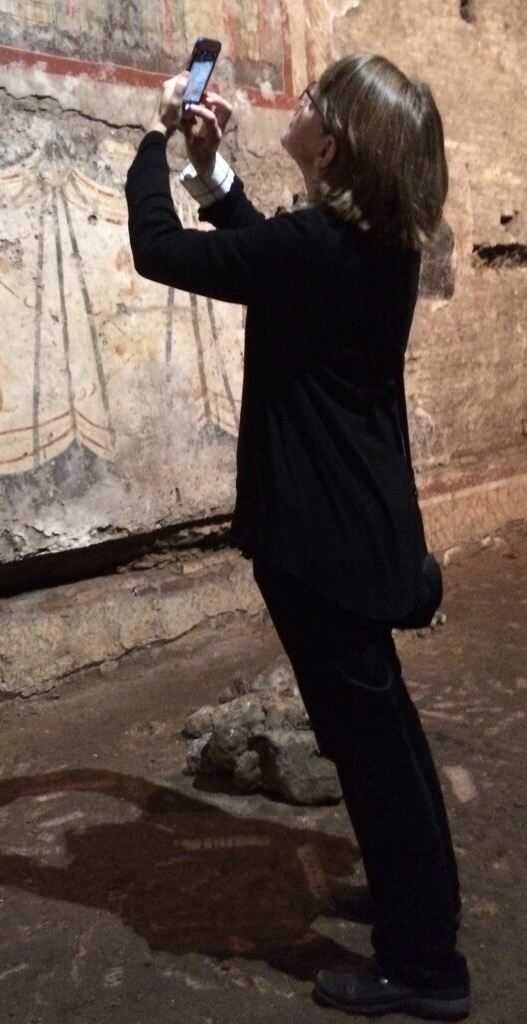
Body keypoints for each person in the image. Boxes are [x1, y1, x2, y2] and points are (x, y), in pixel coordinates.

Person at [125, 54, 470, 1020]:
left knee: (373, 747)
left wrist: (156, 144)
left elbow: (165, 251)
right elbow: (273, 264)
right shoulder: (365, 240)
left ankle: (425, 965)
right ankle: (418, 908)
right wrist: (217, 168)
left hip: (325, 540)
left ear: (336, 143)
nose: (299, 101)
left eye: (315, 99)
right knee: (381, 737)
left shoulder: (325, 246)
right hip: (355, 528)